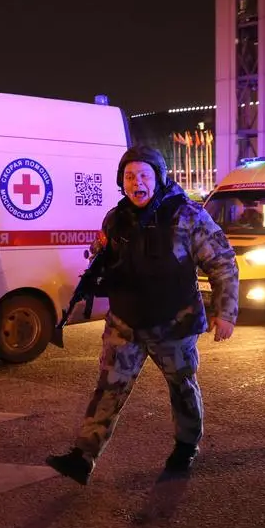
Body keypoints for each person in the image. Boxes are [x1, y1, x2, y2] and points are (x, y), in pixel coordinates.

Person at [45, 145, 240, 485]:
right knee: (108, 388)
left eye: (144, 175)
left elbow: (222, 261)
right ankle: (83, 457)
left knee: (182, 387)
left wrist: (226, 312)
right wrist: (98, 253)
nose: (137, 182)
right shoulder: (115, 218)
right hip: (125, 322)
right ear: (122, 181)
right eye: (130, 176)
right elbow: (108, 255)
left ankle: (186, 446)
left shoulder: (187, 216)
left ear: (159, 178)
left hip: (174, 322)